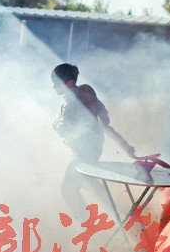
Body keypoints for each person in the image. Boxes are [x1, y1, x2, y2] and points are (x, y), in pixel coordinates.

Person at [51, 63, 136, 215]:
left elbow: (65, 132)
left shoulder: (69, 106)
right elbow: (105, 124)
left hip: (84, 154)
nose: (53, 87)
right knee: (88, 183)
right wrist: (126, 146)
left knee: (68, 190)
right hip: (94, 149)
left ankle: (90, 224)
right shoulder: (88, 92)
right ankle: (123, 217)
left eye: (56, 82)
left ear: (69, 83)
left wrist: (55, 123)